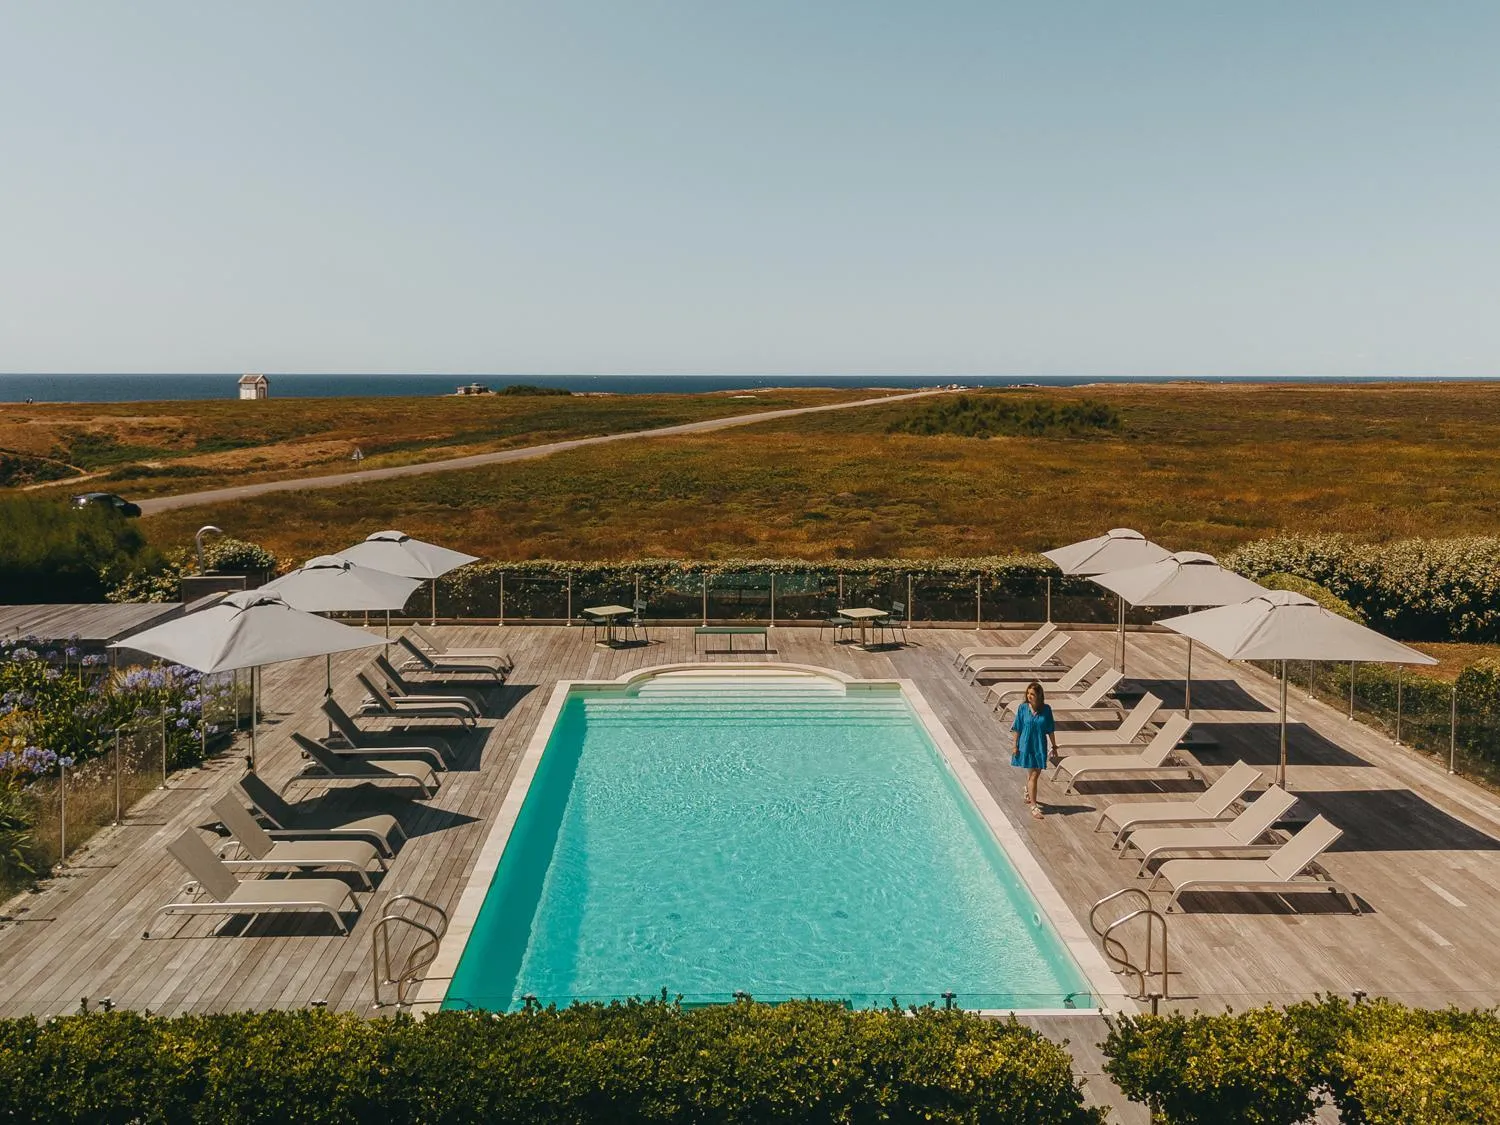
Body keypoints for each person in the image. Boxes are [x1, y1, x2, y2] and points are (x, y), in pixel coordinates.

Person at [1010, 680, 1058, 819]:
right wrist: (1015, 745)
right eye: (1028, 693)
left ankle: (1027, 792)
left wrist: (1054, 746)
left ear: (1039, 695)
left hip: (1039, 745)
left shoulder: (1046, 709)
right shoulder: (1022, 708)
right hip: (1026, 744)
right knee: (1034, 776)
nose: (1029, 696)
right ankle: (1034, 806)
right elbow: (1017, 728)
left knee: (1032, 774)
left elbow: (1050, 729)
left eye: (1032, 694)